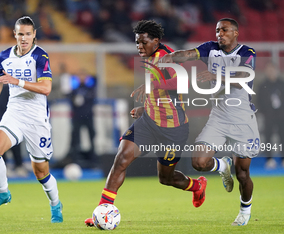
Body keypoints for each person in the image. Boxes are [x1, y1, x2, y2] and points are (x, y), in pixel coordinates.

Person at [85, 20, 207, 227]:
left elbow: (182, 82)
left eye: (143, 42)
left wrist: (151, 85)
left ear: (156, 40)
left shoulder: (166, 57)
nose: (139, 47)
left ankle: (196, 186)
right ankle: (102, 210)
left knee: (166, 178)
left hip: (173, 130)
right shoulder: (150, 58)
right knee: (121, 159)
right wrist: (146, 107)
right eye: (137, 43)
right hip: (149, 123)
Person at [159, 18, 260, 226]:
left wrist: (217, 76)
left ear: (235, 33)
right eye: (217, 30)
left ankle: (245, 210)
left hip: (242, 120)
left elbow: (243, 77)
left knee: (242, 174)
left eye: (224, 30)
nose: (219, 34)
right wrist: (169, 57)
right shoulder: (210, 49)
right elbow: (188, 54)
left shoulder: (246, 53)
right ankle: (222, 164)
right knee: (198, 162)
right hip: (218, 118)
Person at [0, 16, 63, 223]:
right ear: (15, 34)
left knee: (41, 172)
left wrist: (17, 81)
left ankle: (56, 205)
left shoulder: (40, 56)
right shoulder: (5, 56)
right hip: (14, 113)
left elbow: (46, 88)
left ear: (34, 34)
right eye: (21, 34)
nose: (24, 38)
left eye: (28, 34)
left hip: (36, 119)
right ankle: (3, 193)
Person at [257, 63, 284, 169]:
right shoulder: (263, 85)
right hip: (268, 116)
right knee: (268, 138)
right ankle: (269, 159)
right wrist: (265, 112)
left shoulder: (281, 84)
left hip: (281, 115)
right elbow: (259, 100)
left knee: (283, 137)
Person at [68, 69, 97, 166]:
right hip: (77, 117)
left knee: (92, 139)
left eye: (83, 75)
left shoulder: (90, 88)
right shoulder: (74, 89)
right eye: (80, 76)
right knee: (75, 140)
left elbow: (92, 99)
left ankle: (93, 161)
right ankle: (75, 160)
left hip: (88, 116)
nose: (82, 78)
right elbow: (70, 98)